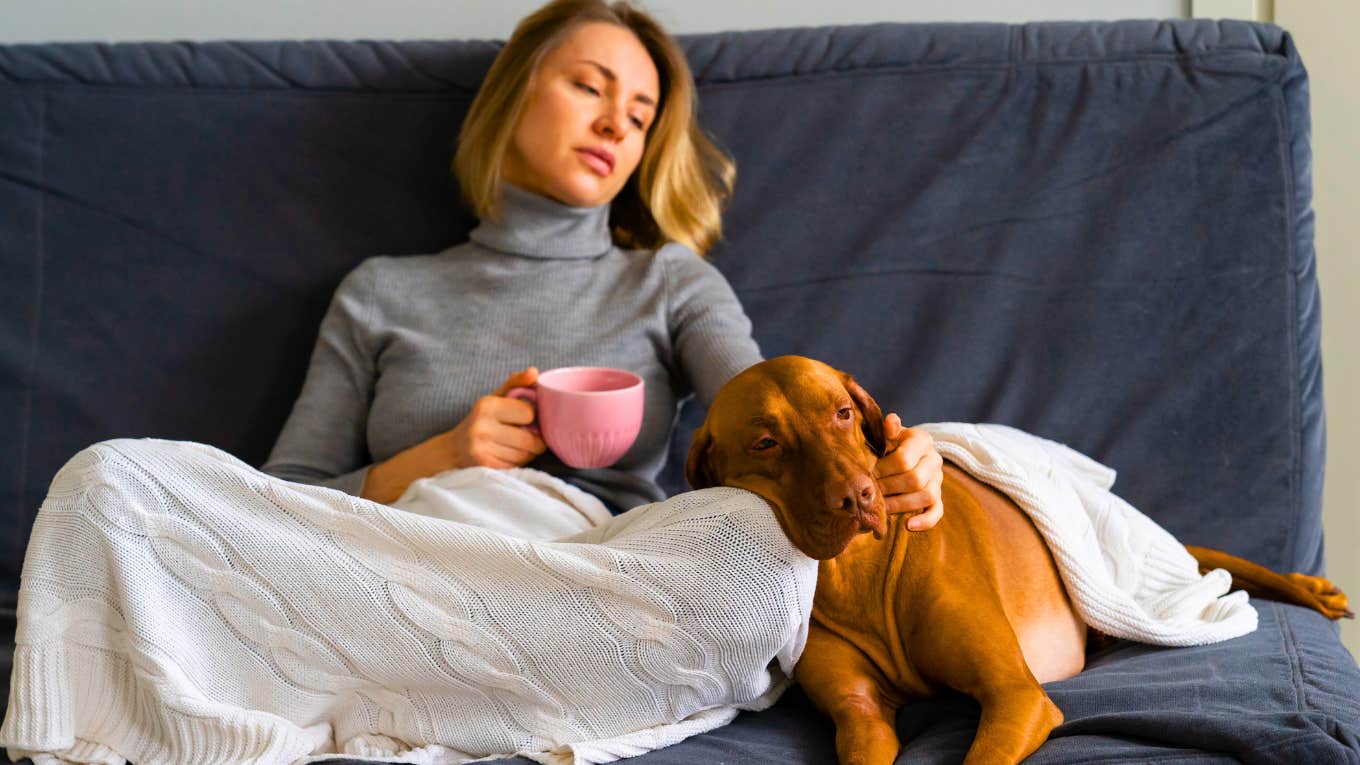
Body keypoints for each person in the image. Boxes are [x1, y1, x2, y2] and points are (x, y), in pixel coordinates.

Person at [261, 0, 947, 528]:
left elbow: (773, 415)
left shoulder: (670, 280)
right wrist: (443, 457)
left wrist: (895, 463)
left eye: (640, 116)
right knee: (157, 480)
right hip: (412, 557)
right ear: (514, 95)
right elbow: (271, 506)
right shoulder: (380, 291)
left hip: (599, 565)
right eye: (591, 87)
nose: (617, 125)